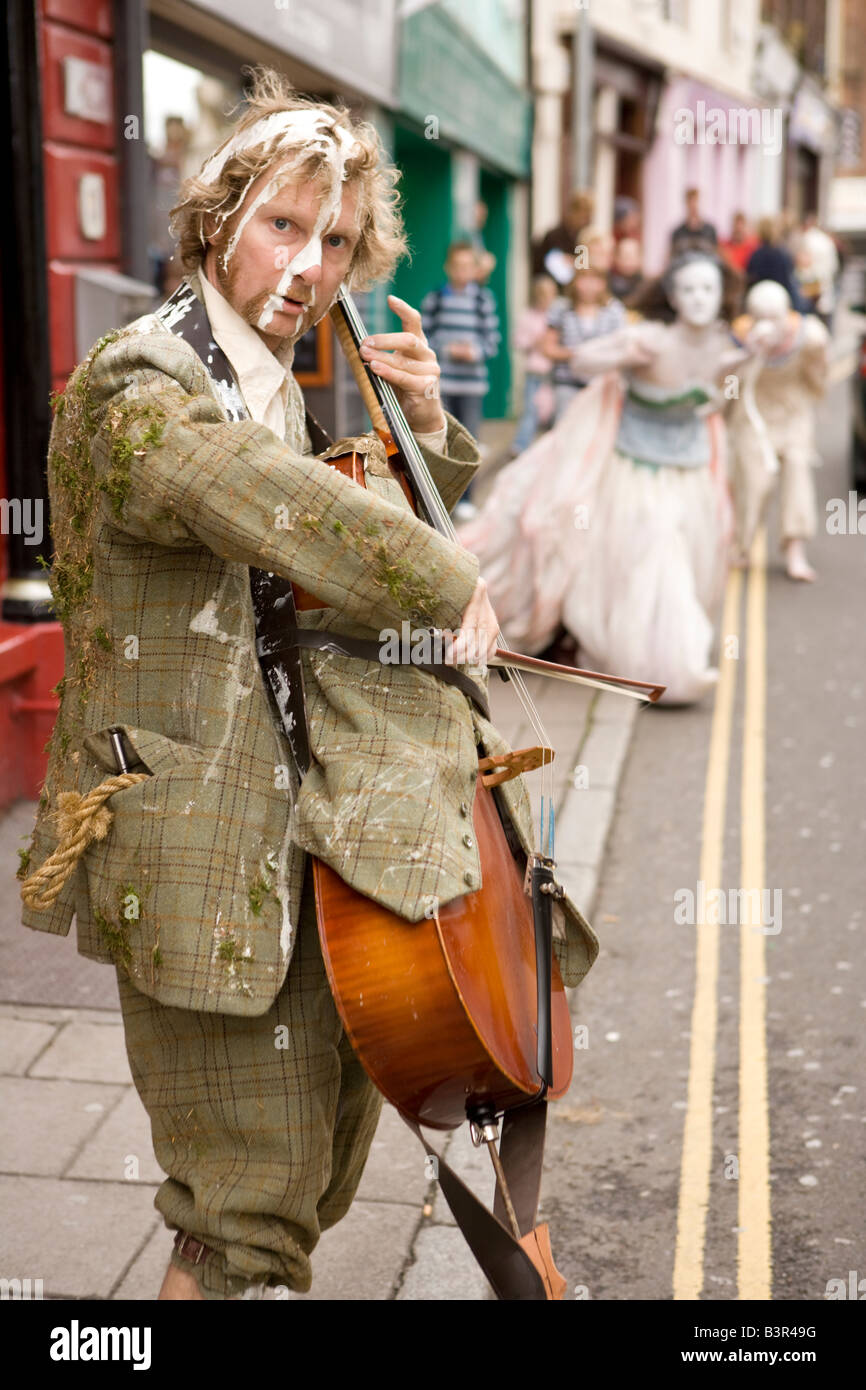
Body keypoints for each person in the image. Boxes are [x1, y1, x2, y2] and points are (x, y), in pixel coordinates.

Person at [18, 68, 597, 1301]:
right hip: (202, 845)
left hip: (318, 849)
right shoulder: (143, 382)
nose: (310, 264)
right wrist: (442, 580)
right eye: (283, 224)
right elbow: (270, 503)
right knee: (243, 1218)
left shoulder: (278, 377)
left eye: (335, 240)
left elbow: (331, 536)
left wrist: (427, 424)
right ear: (218, 216)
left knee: (309, 1187)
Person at [457, 250, 755, 707]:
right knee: (655, 549)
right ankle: (669, 666)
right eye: (689, 289)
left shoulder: (726, 341)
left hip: (692, 466)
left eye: (708, 288)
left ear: (722, 295)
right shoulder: (650, 337)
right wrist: (619, 353)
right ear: (673, 296)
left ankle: (668, 650)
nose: (699, 299)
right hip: (634, 463)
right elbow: (580, 362)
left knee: (691, 552)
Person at [728, 280, 829, 582]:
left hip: (793, 413)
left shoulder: (809, 337)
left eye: (775, 315)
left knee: (798, 472)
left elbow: (818, 379)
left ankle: (794, 548)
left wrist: (817, 367)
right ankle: (743, 545)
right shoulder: (739, 338)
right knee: (754, 481)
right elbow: (727, 387)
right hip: (754, 415)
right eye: (762, 317)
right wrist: (746, 355)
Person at [420, 240, 501, 464]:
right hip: (443, 383)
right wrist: (447, 350)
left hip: (472, 385)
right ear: (448, 267)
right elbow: (423, 338)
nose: (462, 271)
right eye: (457, 265)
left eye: (467, 266)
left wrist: (474, 352)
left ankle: (467, 496)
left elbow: (492, 341)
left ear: (475, 269)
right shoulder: (435, 299)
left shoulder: (482, 300)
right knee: (442, 440)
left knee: (469, 440)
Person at [542, 264, 627, 423]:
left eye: (595, 279)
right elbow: (548, 348)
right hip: (568, 384)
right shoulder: (561, 309)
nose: (589, 285)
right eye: (584, 279)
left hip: (602, 384)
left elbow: (622, 346)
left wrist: (598, 355)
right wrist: (577, 353)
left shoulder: (613, 310)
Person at [510, 274, 557, 455]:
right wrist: (535, 342)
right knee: (531, 410)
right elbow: (518, 341)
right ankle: (521, 446)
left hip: (554, 371)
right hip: (536, 370)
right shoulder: (528, 316)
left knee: (552, 410)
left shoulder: (557, 315)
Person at [531, 188, 594, 284]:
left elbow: (590, 267)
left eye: (587, 217)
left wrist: (575, 263)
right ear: (572, 211)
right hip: (553, 284)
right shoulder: (553, 235)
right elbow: (539, 265)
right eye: (582, 215)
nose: (583, 221)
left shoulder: (587, 237)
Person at [746, 216, 808, 310]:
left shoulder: (756, 255)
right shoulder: (783, 253)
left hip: (760, 299)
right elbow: (788, 278)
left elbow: (750, 277)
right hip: (780, 298)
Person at [670, 187, 718, 255]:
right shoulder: (678, 232)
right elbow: (670, 256)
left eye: (695, 201)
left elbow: (717, 253)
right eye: (690, 201)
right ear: (686, 204)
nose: (693, 205)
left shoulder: (710, 230)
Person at [608, 237, 644, 304]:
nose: (629, 261)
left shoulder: (647, 285)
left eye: (633, 256)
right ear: (615, 258)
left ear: (640, 258)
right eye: (625, 256)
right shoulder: (606, 283)